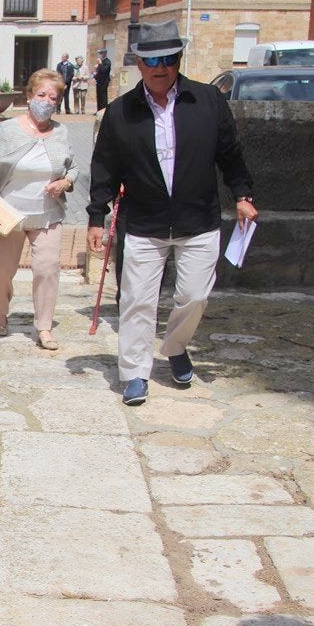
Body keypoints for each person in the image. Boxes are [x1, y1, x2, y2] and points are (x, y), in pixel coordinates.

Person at [87, 20, 256, 407]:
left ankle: (176, 346)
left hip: (198, 219)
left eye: (168, 59)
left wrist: (243, 194)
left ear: (178, 60)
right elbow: (104, 169)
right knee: (136, 301)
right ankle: (133, 372)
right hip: (143, 222)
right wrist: (97, 216)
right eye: (151, 61)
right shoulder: (120, 113)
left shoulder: (208, 101)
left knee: (194, 296)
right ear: (139, 64)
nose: (160, 68)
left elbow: (230, 155)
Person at [0, 69, 78, 350]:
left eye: (53, 97)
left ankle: (44, 326)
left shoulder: (61, 132)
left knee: (47, 269)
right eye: (42, 95)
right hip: (9, 213)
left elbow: (73, 168)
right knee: (1, 270)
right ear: (30, 95)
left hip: (48, 214)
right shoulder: (9, 130)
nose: (46, 101)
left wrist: (66, 182)